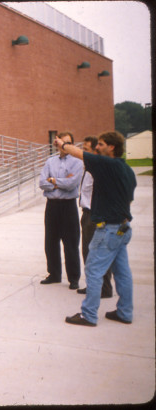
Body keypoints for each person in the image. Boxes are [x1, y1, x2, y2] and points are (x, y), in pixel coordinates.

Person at [57, 131, 137, 326]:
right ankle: (125, 312)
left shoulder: (106, 164)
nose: (97, 148)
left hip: (108, 230)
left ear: (112, 147)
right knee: (122, 272)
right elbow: (129, 198)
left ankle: (89, 315)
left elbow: (80, 154)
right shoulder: (127, 170)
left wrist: (63, 145)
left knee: (93, 270)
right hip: (122, 229)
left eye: (101, 144)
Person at [39, 132, 84, 289]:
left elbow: (72, 184)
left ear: (73, 144)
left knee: (70, 243)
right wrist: (60, 183)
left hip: (68, 206)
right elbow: (42, 182)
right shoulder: (50, 161)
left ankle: (73, 278)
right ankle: (54, 274)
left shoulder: (77, 162)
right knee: (50, 242)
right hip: (52, 206)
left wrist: (53, 181)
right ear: (57, 144)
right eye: (62, 142)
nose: (65, 146)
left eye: (68, 143)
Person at [77, 136, 113, 298]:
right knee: (89, 253)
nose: (84, 152)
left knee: (94, 253)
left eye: (87, 149)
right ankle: (97, 286)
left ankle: (102, 288)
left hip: (94, 215)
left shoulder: (96, 170)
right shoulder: (88, 169)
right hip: (87, 214)